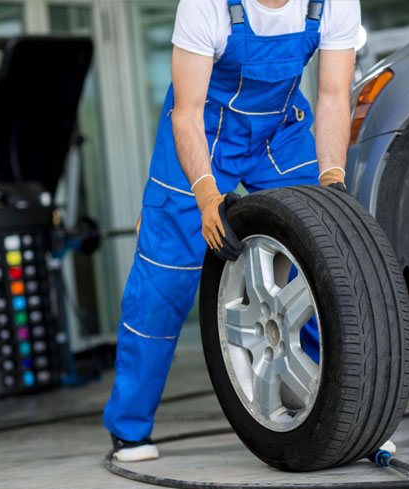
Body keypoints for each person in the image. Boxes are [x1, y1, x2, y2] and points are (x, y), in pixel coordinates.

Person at [103, 0, 361, 462]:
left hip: (279, 130)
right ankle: (130, 426)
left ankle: (347, 413)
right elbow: (186, 112)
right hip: (203, 132)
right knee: (162, 281)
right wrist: (205, 197)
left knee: (329, 256)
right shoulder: (206, 5)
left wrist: (332, 182)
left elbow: (333, 95)